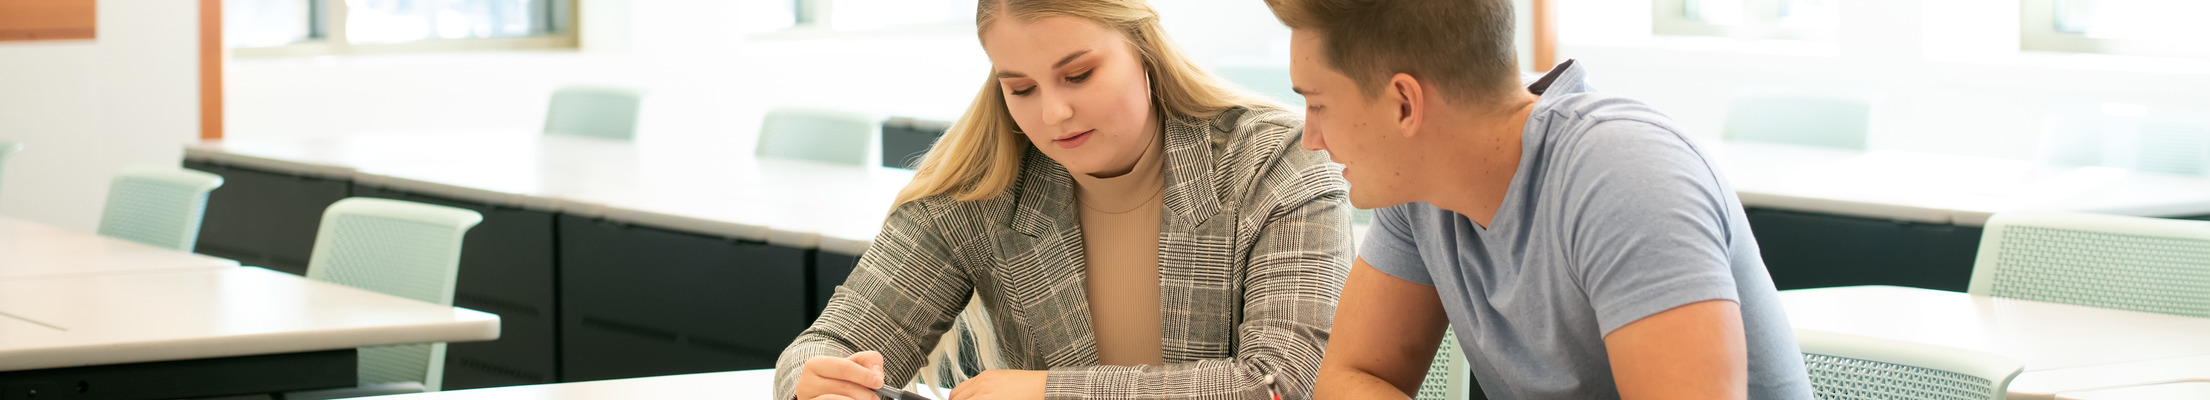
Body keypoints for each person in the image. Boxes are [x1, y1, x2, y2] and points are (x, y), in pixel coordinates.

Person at [772, 0, 1353, 399]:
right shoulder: (985, 186)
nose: (1051, 115)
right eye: (1020, 88)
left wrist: (1049, 391)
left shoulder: (1275, 161)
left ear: (1143, 50)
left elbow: (1282, 382)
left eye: (1078, 75)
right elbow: (831, 344)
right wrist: (819, 382)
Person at [1263, 0, 1815, 398]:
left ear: (1404, 104)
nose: (1311, 138)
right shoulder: (1419, 190)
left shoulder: (1625, 176)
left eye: (1317, 104)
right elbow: (1350, 378)